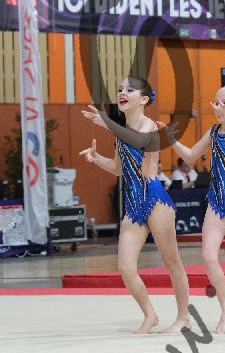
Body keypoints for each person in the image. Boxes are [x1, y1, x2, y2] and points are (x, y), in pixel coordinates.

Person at [80, 78, 192, 336]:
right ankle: (150, 314)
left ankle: (184, 317)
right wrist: (96, 159)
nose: (122, 92)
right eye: (120, 89)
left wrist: (107, 124)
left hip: (154, 198)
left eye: (130, 90)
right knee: (125, 267)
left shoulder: (149, 126)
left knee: (172, 262)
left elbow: (139, 141)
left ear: (143, 99)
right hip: (133, 201)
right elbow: (119, 168)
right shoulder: (121, 133)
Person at [167, 86, 225, 333]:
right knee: (208, 255)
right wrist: (171, 139)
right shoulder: (214, 131)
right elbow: (190, 156)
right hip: (216, 197)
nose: (218, 107)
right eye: (216, 102)